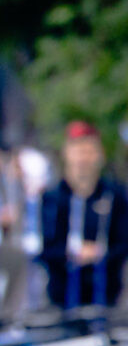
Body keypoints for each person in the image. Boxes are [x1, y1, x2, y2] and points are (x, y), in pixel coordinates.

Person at [38, 120, 128, 309]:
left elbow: (123, 243)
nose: (84, 159)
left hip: (105, 298)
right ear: (67, 154)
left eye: (89, 151)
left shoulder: (114, 196)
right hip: (61, 298)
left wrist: (99, 252)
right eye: (79, 151)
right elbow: (43, 247)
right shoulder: (52, 198)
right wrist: (72, 252)